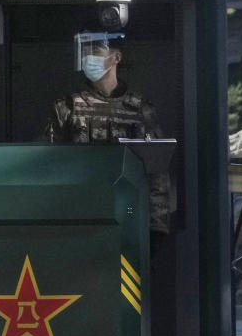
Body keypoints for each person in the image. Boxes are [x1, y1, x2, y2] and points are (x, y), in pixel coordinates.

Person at [46, 31, 171, 235]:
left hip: (128, 215)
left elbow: (156, 173)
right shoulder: (67, 108)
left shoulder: (140, 110)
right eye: (84, 52)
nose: (88, 58)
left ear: (116, 57)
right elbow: (49, 167)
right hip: (80, 219)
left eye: (95, 51)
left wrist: (157, 226)